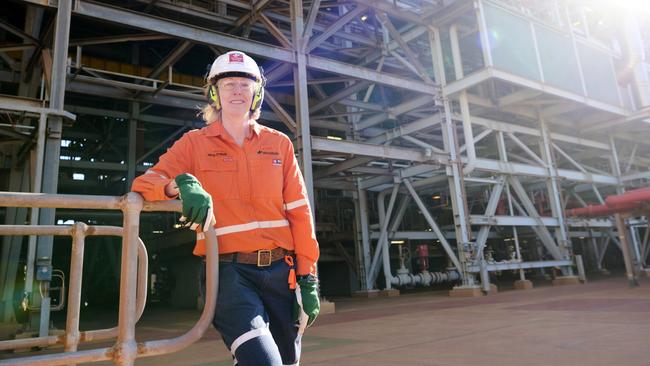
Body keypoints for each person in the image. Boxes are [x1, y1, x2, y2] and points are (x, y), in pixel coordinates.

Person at [132, 50, 320, 366]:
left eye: (244, 85)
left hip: (281, 273)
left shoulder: (279, 144)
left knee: (286, 362)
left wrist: (308, 278)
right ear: (214, 93)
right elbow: (144, 183)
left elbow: (300, 213)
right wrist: (180, 184)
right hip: (228, 273)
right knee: (264, 363)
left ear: (256, 93)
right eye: (228, 84)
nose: (236, 90)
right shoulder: (194, 144)